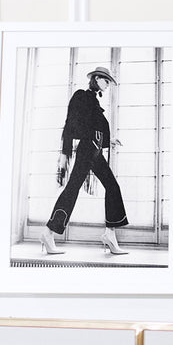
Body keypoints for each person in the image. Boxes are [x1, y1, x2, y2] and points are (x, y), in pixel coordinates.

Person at [40, 66, 129, 255]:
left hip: (96, 151)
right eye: (105, 81)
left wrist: (108, 140)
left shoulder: (94, 101)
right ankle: (48, 233)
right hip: (87, 150)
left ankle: (110, 235)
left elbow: (94, 128)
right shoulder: (81, 96)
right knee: (72, 189)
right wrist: (64, 154)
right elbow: (70, 124)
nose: (107, 85)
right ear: (96, 79)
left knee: (112, 187)